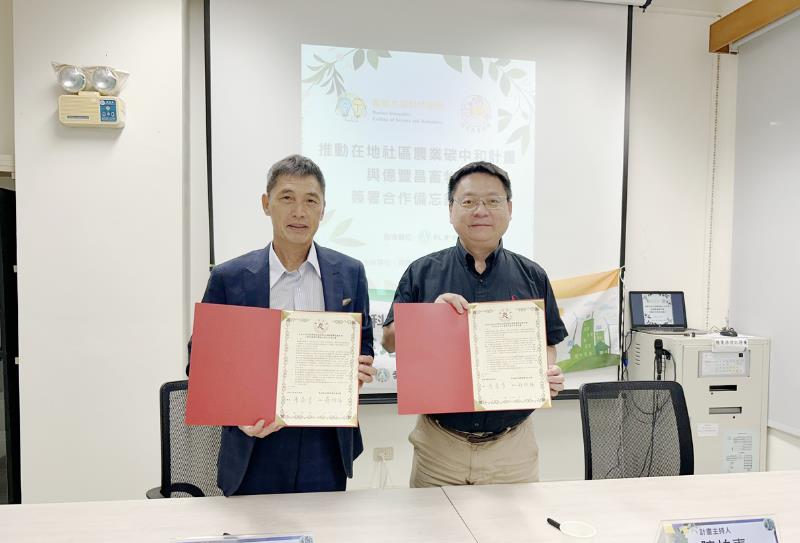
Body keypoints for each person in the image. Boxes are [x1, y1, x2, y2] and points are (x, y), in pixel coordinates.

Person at [192, 155, 376, 495]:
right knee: (253, 530)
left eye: (311, 201)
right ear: (266, 204)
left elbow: (363, 343)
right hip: (255, 443)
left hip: (326, 444)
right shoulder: (230, 278)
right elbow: (201, 364)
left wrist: (360, 367)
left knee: (325, 529)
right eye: (287, 198)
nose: (299, 212)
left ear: (323, 209)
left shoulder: (350, 272)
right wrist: (237, 416)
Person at [381, 161, 567, 487]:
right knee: (433, 522)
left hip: (512, 448)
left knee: (514, 524)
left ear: (509, 209)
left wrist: (544, 372)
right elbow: (389, 340)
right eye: (468, 201)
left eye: (493, 201)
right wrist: (430, 319)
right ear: (451, 209)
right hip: (439, 447)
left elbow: (548, 344)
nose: (481, 210)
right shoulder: (422, 271)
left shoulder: (532, 275)